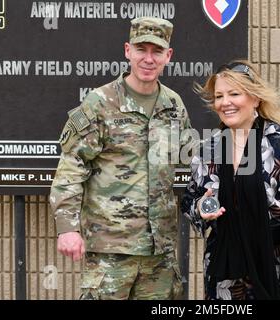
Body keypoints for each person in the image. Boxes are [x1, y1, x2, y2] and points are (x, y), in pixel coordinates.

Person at [50, 17, 192, 300]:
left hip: (159, 252)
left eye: (157, 51)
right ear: (128, 51)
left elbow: (189, 159)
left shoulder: (173, 105)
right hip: (111, 250)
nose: (148, 59)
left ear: (168, 56)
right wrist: (67, 228)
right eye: (141, 49)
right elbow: (72, 167)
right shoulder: (100, 102)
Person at [181, 60, 280, 300]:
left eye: (234, 94)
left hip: (279, 271)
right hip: (228, 278)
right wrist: (201, 207)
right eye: (219, 96)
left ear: (255, 99)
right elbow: (189, 200)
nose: (225, 102)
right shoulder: (210, 149)